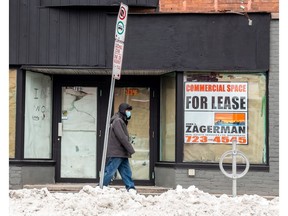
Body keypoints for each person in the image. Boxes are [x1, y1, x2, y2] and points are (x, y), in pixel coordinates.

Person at [103, 103, 136, 192]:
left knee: (126, 171)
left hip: (122, 152)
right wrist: (130, 149)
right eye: (127, 110)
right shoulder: (118, 121)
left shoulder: (121, 120)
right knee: (110, 171)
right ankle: (101, 187)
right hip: (117, 151)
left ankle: (130, 187)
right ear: (123, 111)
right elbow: (122, 137)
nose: (129, 113)